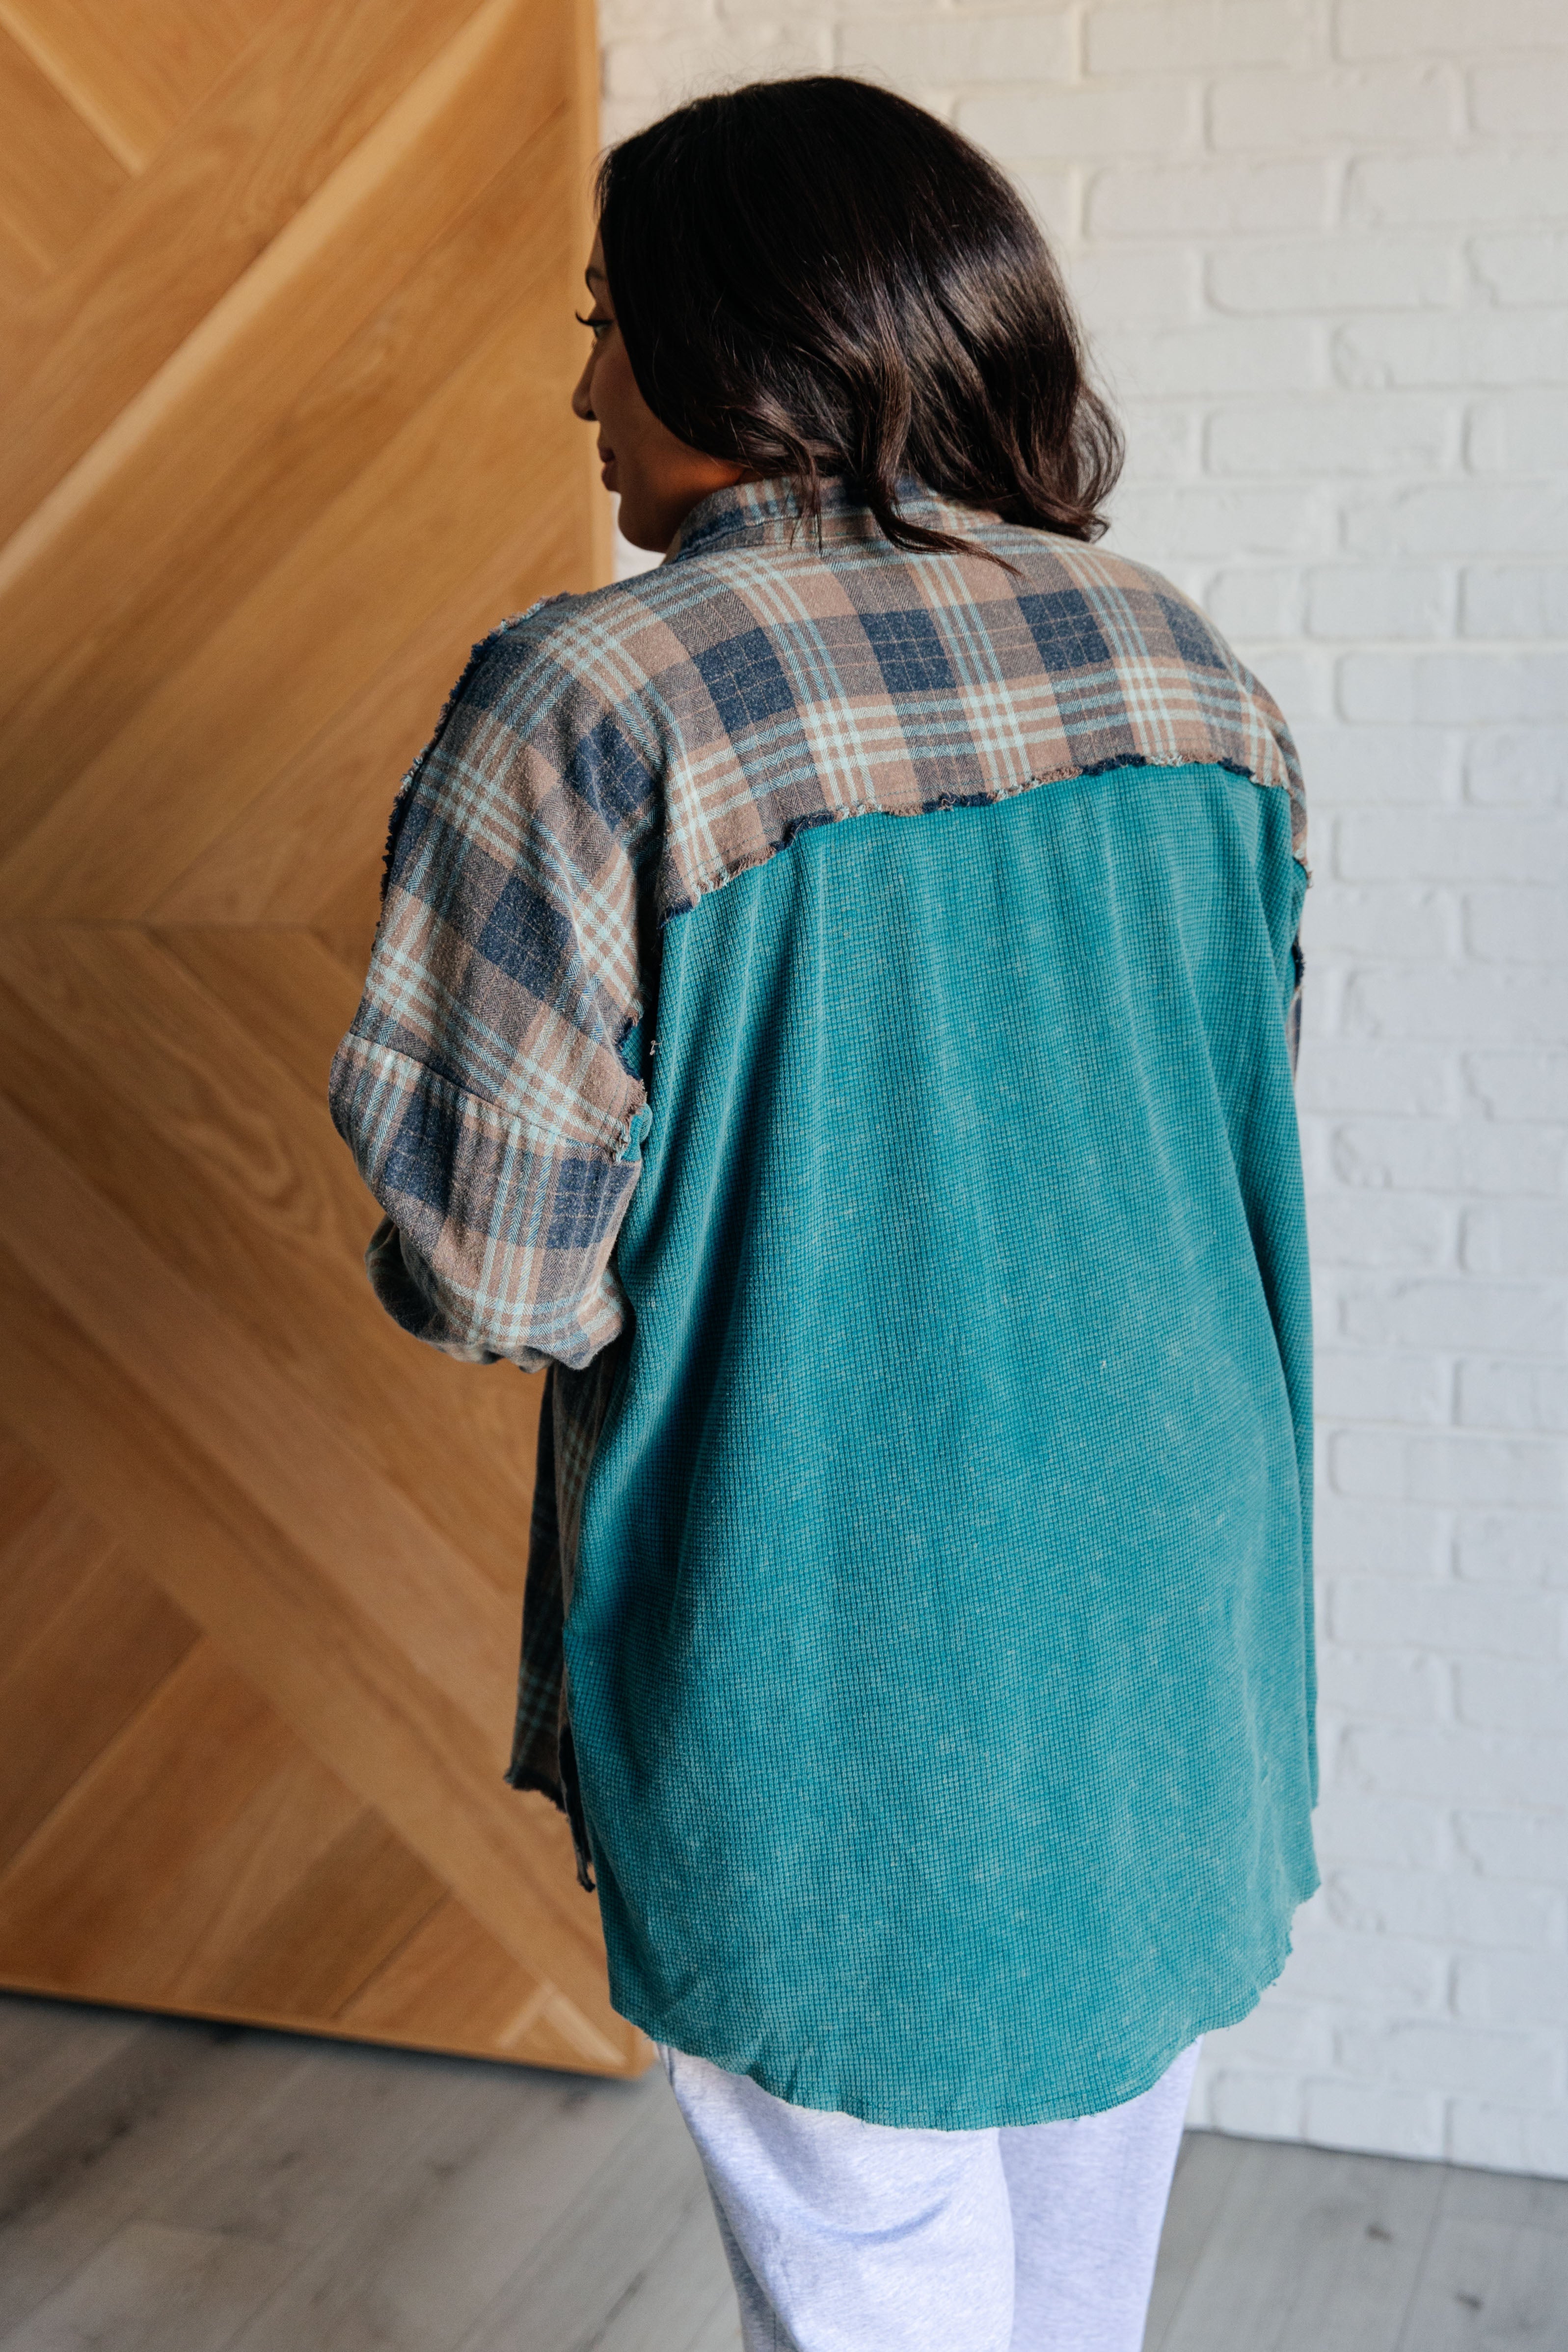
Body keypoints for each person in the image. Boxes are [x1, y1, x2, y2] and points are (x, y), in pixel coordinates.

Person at [330, 75, 1315, 2352]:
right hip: (1176, 1607)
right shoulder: (1186, 663)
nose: (584, 380)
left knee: (866, 2266)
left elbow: (492, 1274)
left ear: (748, 336)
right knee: (1081, 2247)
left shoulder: (595, 693)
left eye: (608, 317)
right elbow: (1214, 1116)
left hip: (836, 1632)